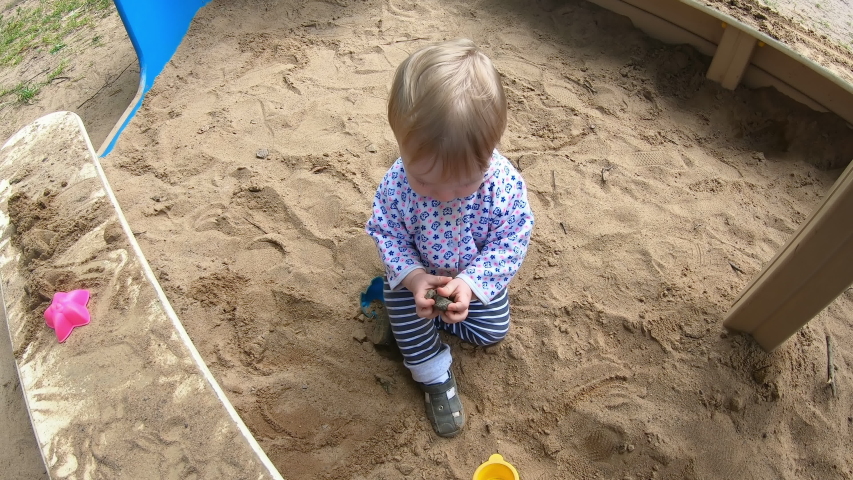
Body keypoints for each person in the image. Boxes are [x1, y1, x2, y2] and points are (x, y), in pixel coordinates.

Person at [365, 38, 534, 438]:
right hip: (415, 278)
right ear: (401, 144)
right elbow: (386, 232)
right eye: (423, 180)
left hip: (471, 276)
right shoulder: (397, 184)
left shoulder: (502, 187)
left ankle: (433, 323)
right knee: (407, 318)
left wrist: (472, 285)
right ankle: (433, 377)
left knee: (492, 333)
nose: (441, 196)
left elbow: (511, 241)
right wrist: (412, 277)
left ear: (489, 154)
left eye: (460, 187)